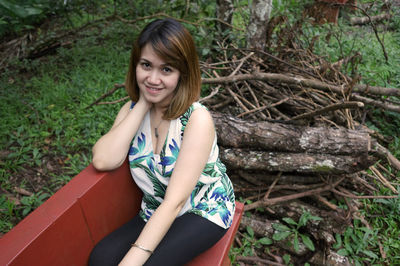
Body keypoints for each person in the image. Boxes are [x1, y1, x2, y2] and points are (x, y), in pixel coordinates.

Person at [88, 18, 235, 266]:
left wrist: (133, 259)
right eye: (146, 65)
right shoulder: (132, 110)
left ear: (182, 74)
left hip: (202, 209)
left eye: (166, 70)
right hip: (154, 209)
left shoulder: (196, 120)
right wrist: (144, 102)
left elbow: (175, 201)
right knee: (100, 260)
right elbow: (103, 159)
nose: (153, 78)